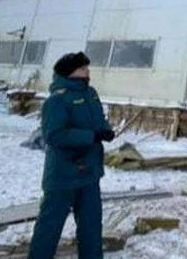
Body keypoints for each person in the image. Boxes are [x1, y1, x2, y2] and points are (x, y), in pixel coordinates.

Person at [27, 52, 115, 259]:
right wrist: (90, 136)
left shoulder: (91, 94)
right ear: (70, 73)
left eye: (87, 68)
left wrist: (105, 129)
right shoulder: (56, 101)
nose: (88, 72)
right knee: (49, 228)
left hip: (90, 173)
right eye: (83, 69)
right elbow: (54, 135)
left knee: (91, 226)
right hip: (64, 175)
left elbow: (98, 120)